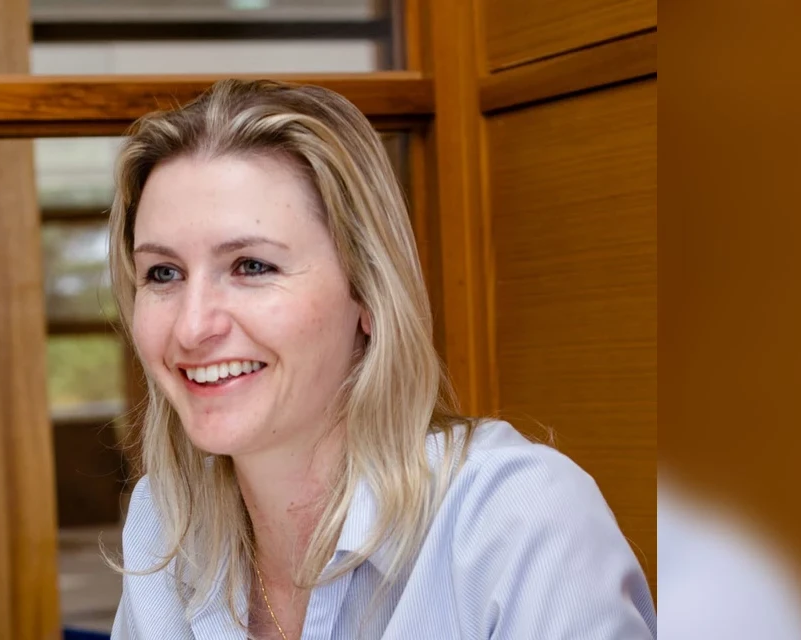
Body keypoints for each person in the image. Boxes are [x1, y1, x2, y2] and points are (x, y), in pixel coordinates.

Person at [106, 79, 656, 639]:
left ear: (368, 291)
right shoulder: (165, 522)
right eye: (163, 273)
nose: (193, 327)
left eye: (252, 266)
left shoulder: (516, 519)